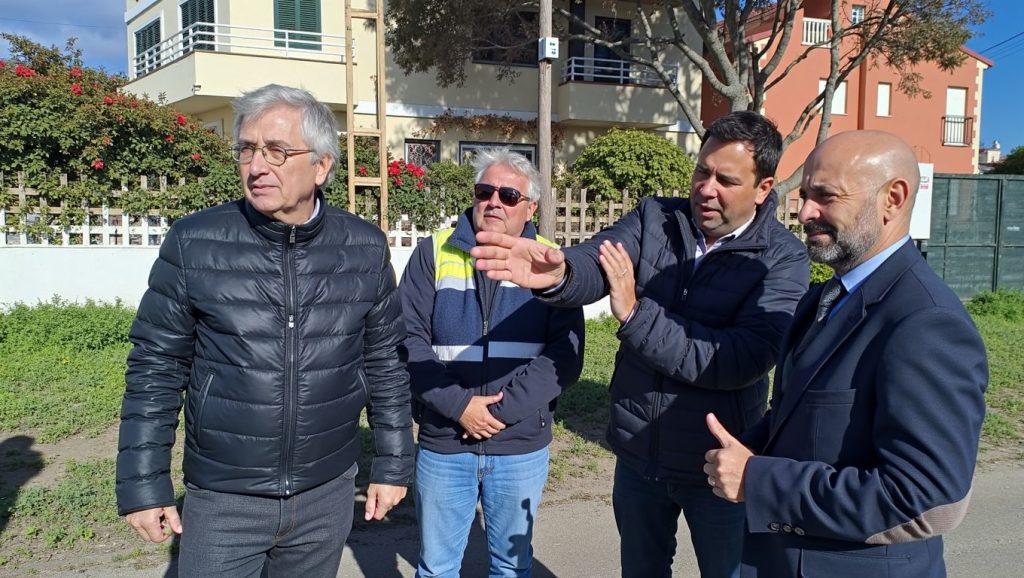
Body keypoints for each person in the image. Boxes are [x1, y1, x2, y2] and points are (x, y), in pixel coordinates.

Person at [471, 112, 810, 578]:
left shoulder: (783, 259)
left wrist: (634, 314)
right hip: (639, 455)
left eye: (726, 180)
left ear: (763, 188)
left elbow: (739, 360)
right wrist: (561, 273)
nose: (706, 189)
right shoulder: (657, 218)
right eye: (702, 171)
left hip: (721, 466)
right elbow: (600, 260)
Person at [115, 84, 414, 577]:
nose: (256, 166)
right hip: (223, 499)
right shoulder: (195, 242)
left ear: (321, 166)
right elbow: (156, 367)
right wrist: (143, 485)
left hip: (325, 493)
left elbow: (385, 363)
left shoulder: (364, 247)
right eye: (247, 149)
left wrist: (393, 464)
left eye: (276, 151)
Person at [703, 130, 988, 577]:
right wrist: (748, 446)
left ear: (893, 198)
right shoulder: (826, 297)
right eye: (804, 196)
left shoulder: (926, 322)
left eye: (826, 196)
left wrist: (758, 480)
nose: (805, 212)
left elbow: (926, 499)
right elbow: (804, 416)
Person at [399, 148, 584, 578]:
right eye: (485, 191)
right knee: (437, 568)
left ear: (531, 208)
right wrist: (459, 405)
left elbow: (566, 354)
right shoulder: (434, 252)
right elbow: (407, 341)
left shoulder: (551, 262)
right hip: (445, 440)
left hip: (519, 444)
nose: (494, 202)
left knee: (511, 566)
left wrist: (498, 413)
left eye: (509, 195)